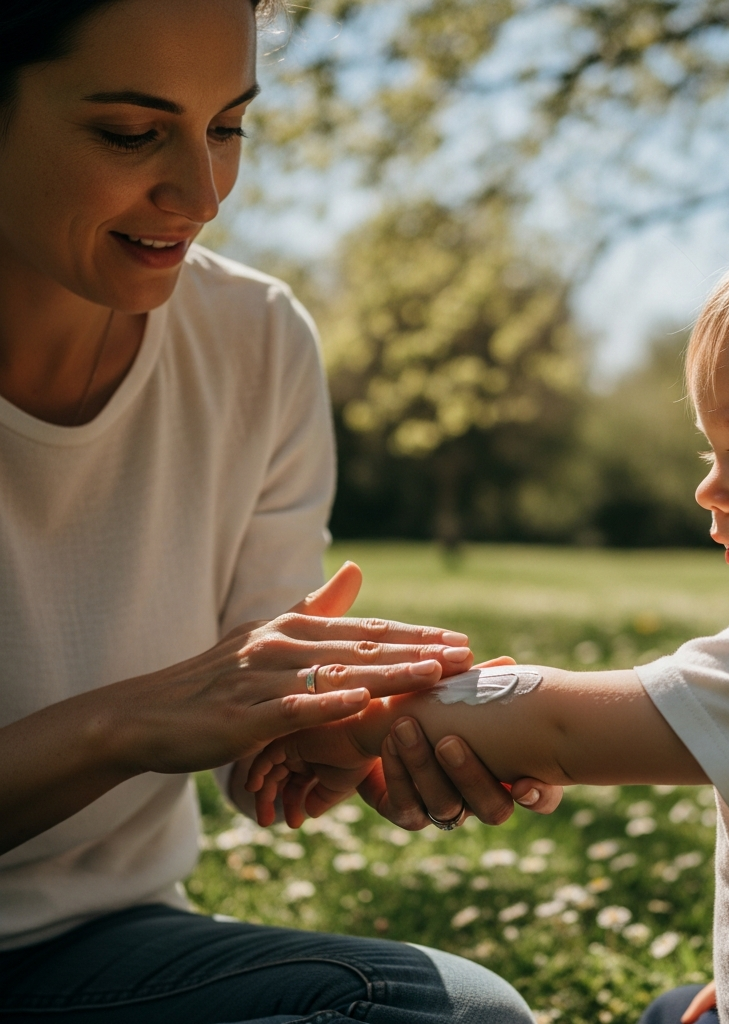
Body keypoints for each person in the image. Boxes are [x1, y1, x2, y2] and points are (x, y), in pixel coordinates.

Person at [247, 200, 729, 1023]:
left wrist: (355, 725)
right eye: (710, 452)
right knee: (673, 1009)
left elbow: (557, 726)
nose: (708, 487)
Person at [0, 2, 562, 1021]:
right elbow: (176, 708)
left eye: (227, 127)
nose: (202, 193)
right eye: (132, 133)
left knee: (455, 1014)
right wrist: (120, 726)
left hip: (92, 953)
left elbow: (246, 708)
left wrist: (340, 730)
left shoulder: (255, 339)